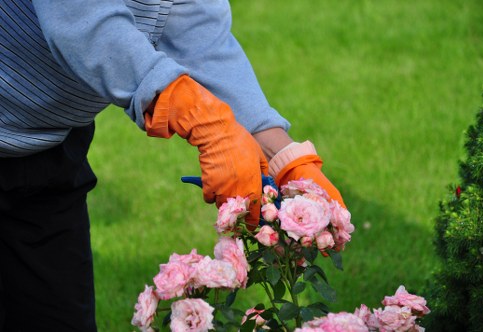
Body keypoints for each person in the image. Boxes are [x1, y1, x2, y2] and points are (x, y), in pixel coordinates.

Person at [0, 0, 345, 330]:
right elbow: (81, 19)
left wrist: (283, 157)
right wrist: (200, 118)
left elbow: (196, 28)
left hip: (47, 151)